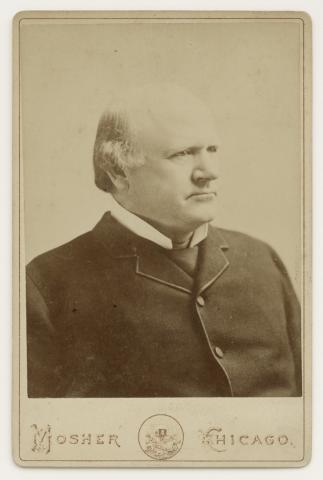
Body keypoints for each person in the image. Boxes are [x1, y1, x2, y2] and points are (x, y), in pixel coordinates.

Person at [26, 83, 302, 398]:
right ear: (118, 171)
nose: (208, 172)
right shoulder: (45, 284)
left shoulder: (261, 257)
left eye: (212, 150)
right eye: (182, 153)